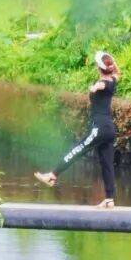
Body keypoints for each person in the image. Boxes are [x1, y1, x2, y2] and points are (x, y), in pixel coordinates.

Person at [35, 50, 119, 207]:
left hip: (99, 128)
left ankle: (52, 175)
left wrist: (95, 87)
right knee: (107, 164)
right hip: (109, 129)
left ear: (98, 67)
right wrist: (109, 68)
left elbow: (102, 85)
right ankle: (109, 199)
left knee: (77, 150)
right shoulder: (114, 80)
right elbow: (114, 75)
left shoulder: (105, 84)